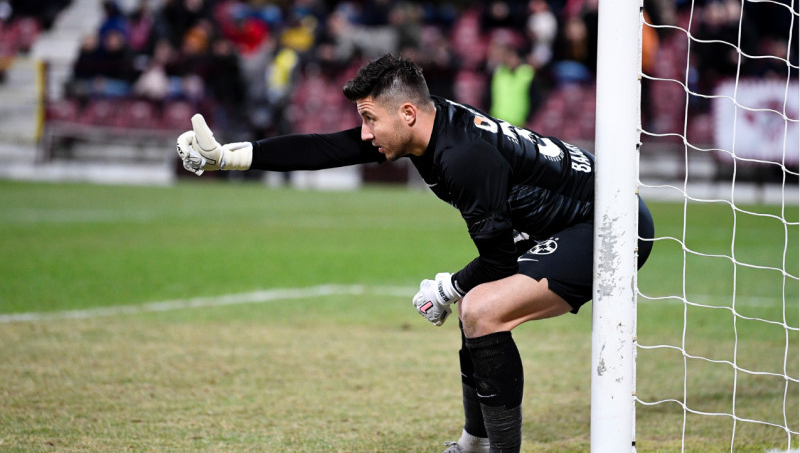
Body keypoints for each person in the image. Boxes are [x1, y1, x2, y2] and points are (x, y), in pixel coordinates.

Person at [175, 54, 654, 452]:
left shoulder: (463, 157)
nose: (363, 133)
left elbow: (498, 263)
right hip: (574, 221)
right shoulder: (427, 125)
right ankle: (474, 443)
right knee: (477, 308)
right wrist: (230, 156)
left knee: (482, 308)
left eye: (368, 119)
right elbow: (327, 148)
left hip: (611, 226)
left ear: (406, 113)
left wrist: (447, 287)